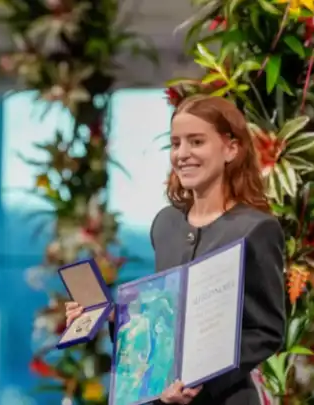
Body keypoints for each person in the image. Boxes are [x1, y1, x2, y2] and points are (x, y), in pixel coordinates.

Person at [65, 95, 286, 405]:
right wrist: (115, 318)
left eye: (196, 142)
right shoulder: (166, 224)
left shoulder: (256, 229)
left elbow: (266, 331)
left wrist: (200, 381)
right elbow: (165, 319)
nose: (182, 154)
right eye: (175, 143)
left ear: (231, 148)